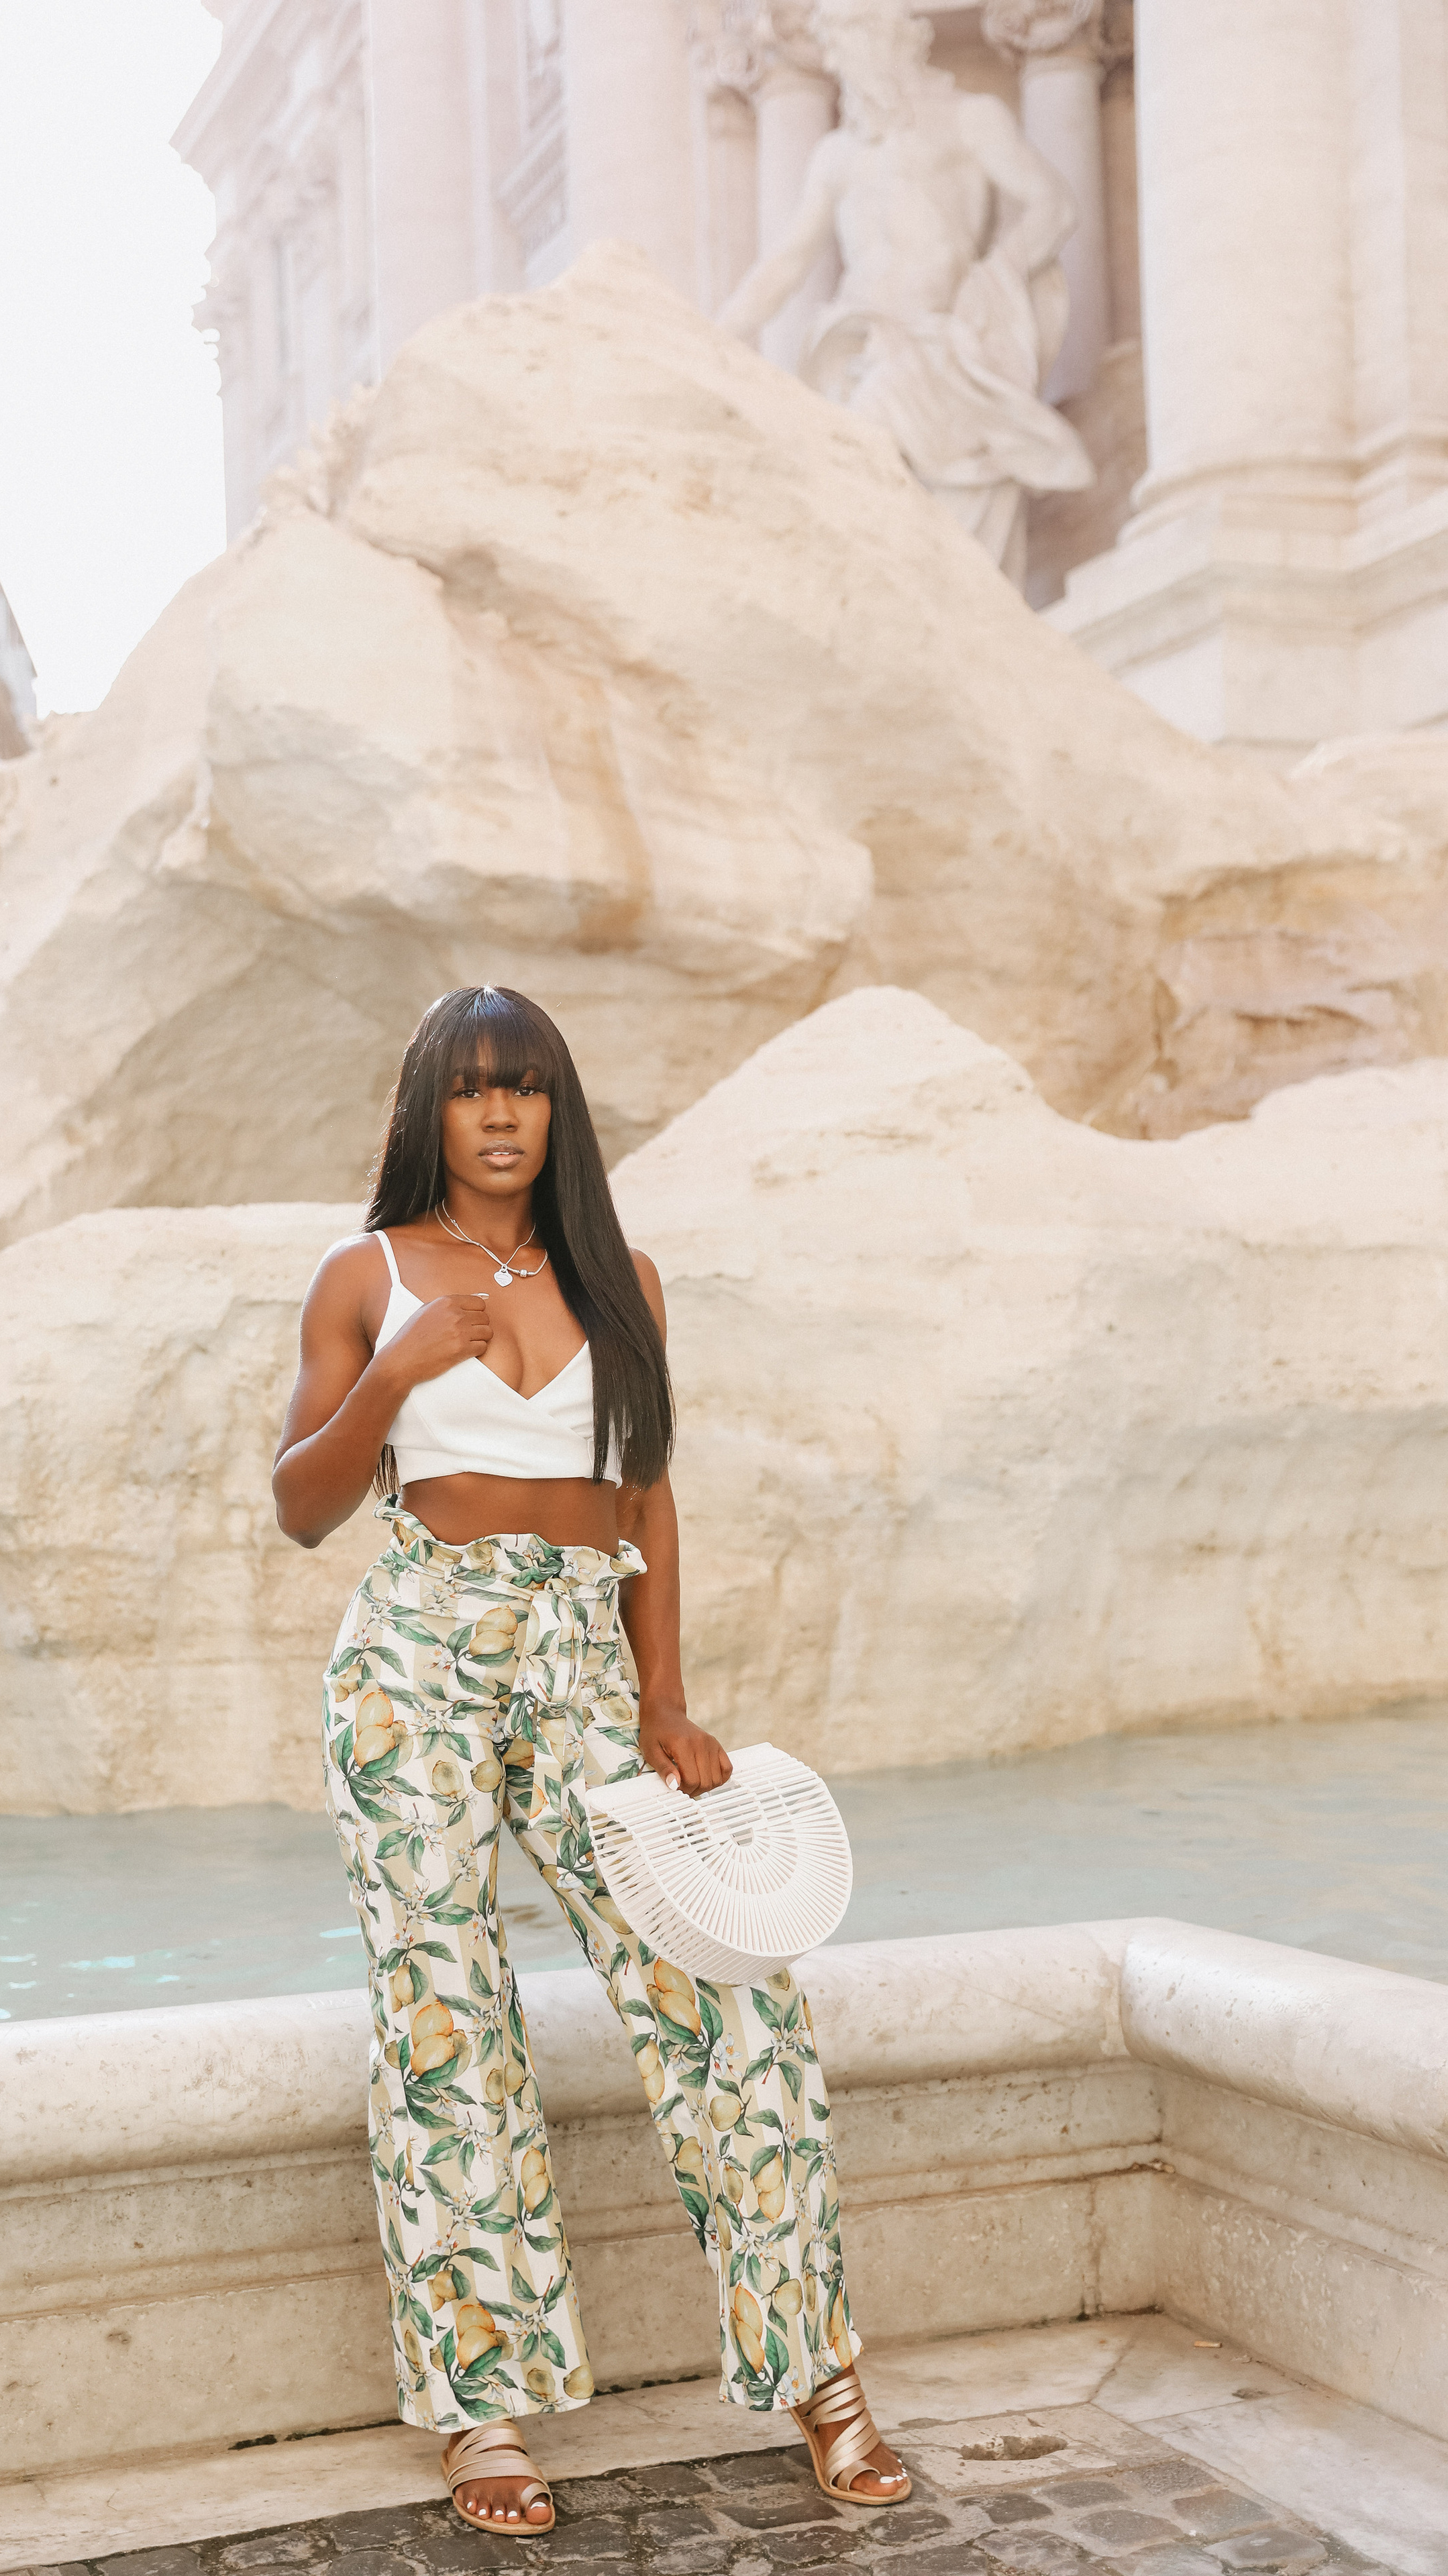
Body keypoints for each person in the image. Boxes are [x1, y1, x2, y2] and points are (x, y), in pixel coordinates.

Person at [272, 985, 908, 2535]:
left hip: (578, 1654)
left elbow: (650, 1497)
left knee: (728, 1995)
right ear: (425, 1105)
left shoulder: (621, 1275)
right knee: (444, 2011)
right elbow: (300, 1499)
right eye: (472, 1089)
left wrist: (664, 1696)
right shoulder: (362, 1278)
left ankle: (815, 2371)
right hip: (414, 1651)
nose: (499, 1116)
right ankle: (483, 2411)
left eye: (527, 1089)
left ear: (556, 1111)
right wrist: (399, 1370)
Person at [718, 0, 1091, 581]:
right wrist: (715, 335)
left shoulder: (970, 118)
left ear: (886, 44)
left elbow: (1055, 205)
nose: (839, 70)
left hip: (942, 348)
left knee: (876, 466)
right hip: (859, 353)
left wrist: (995, 279)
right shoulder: (837, 154)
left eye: (845, 51)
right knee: (851, 477)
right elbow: (785, 264)